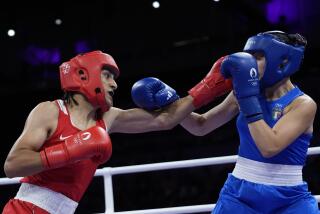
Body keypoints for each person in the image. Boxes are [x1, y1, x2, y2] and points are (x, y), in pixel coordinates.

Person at [2, 50, 232, 213]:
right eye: (108, 76)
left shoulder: (108, 118)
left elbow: (166, 119)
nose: (114, 84)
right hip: (24, 210)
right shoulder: (50, 111)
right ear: (84, 75)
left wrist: (206, 88)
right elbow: (12, 166)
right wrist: (69, 149)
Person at [177, 31, 318, 213]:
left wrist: (247, 99)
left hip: (289, 199)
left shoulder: (302, 104)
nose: (249, 64)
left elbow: (269, 147)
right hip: (239, 195)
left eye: (257, 57)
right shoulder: (242, 93)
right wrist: (171, 103)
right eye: (248, 56)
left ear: (282, 62)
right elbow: (201, 126)